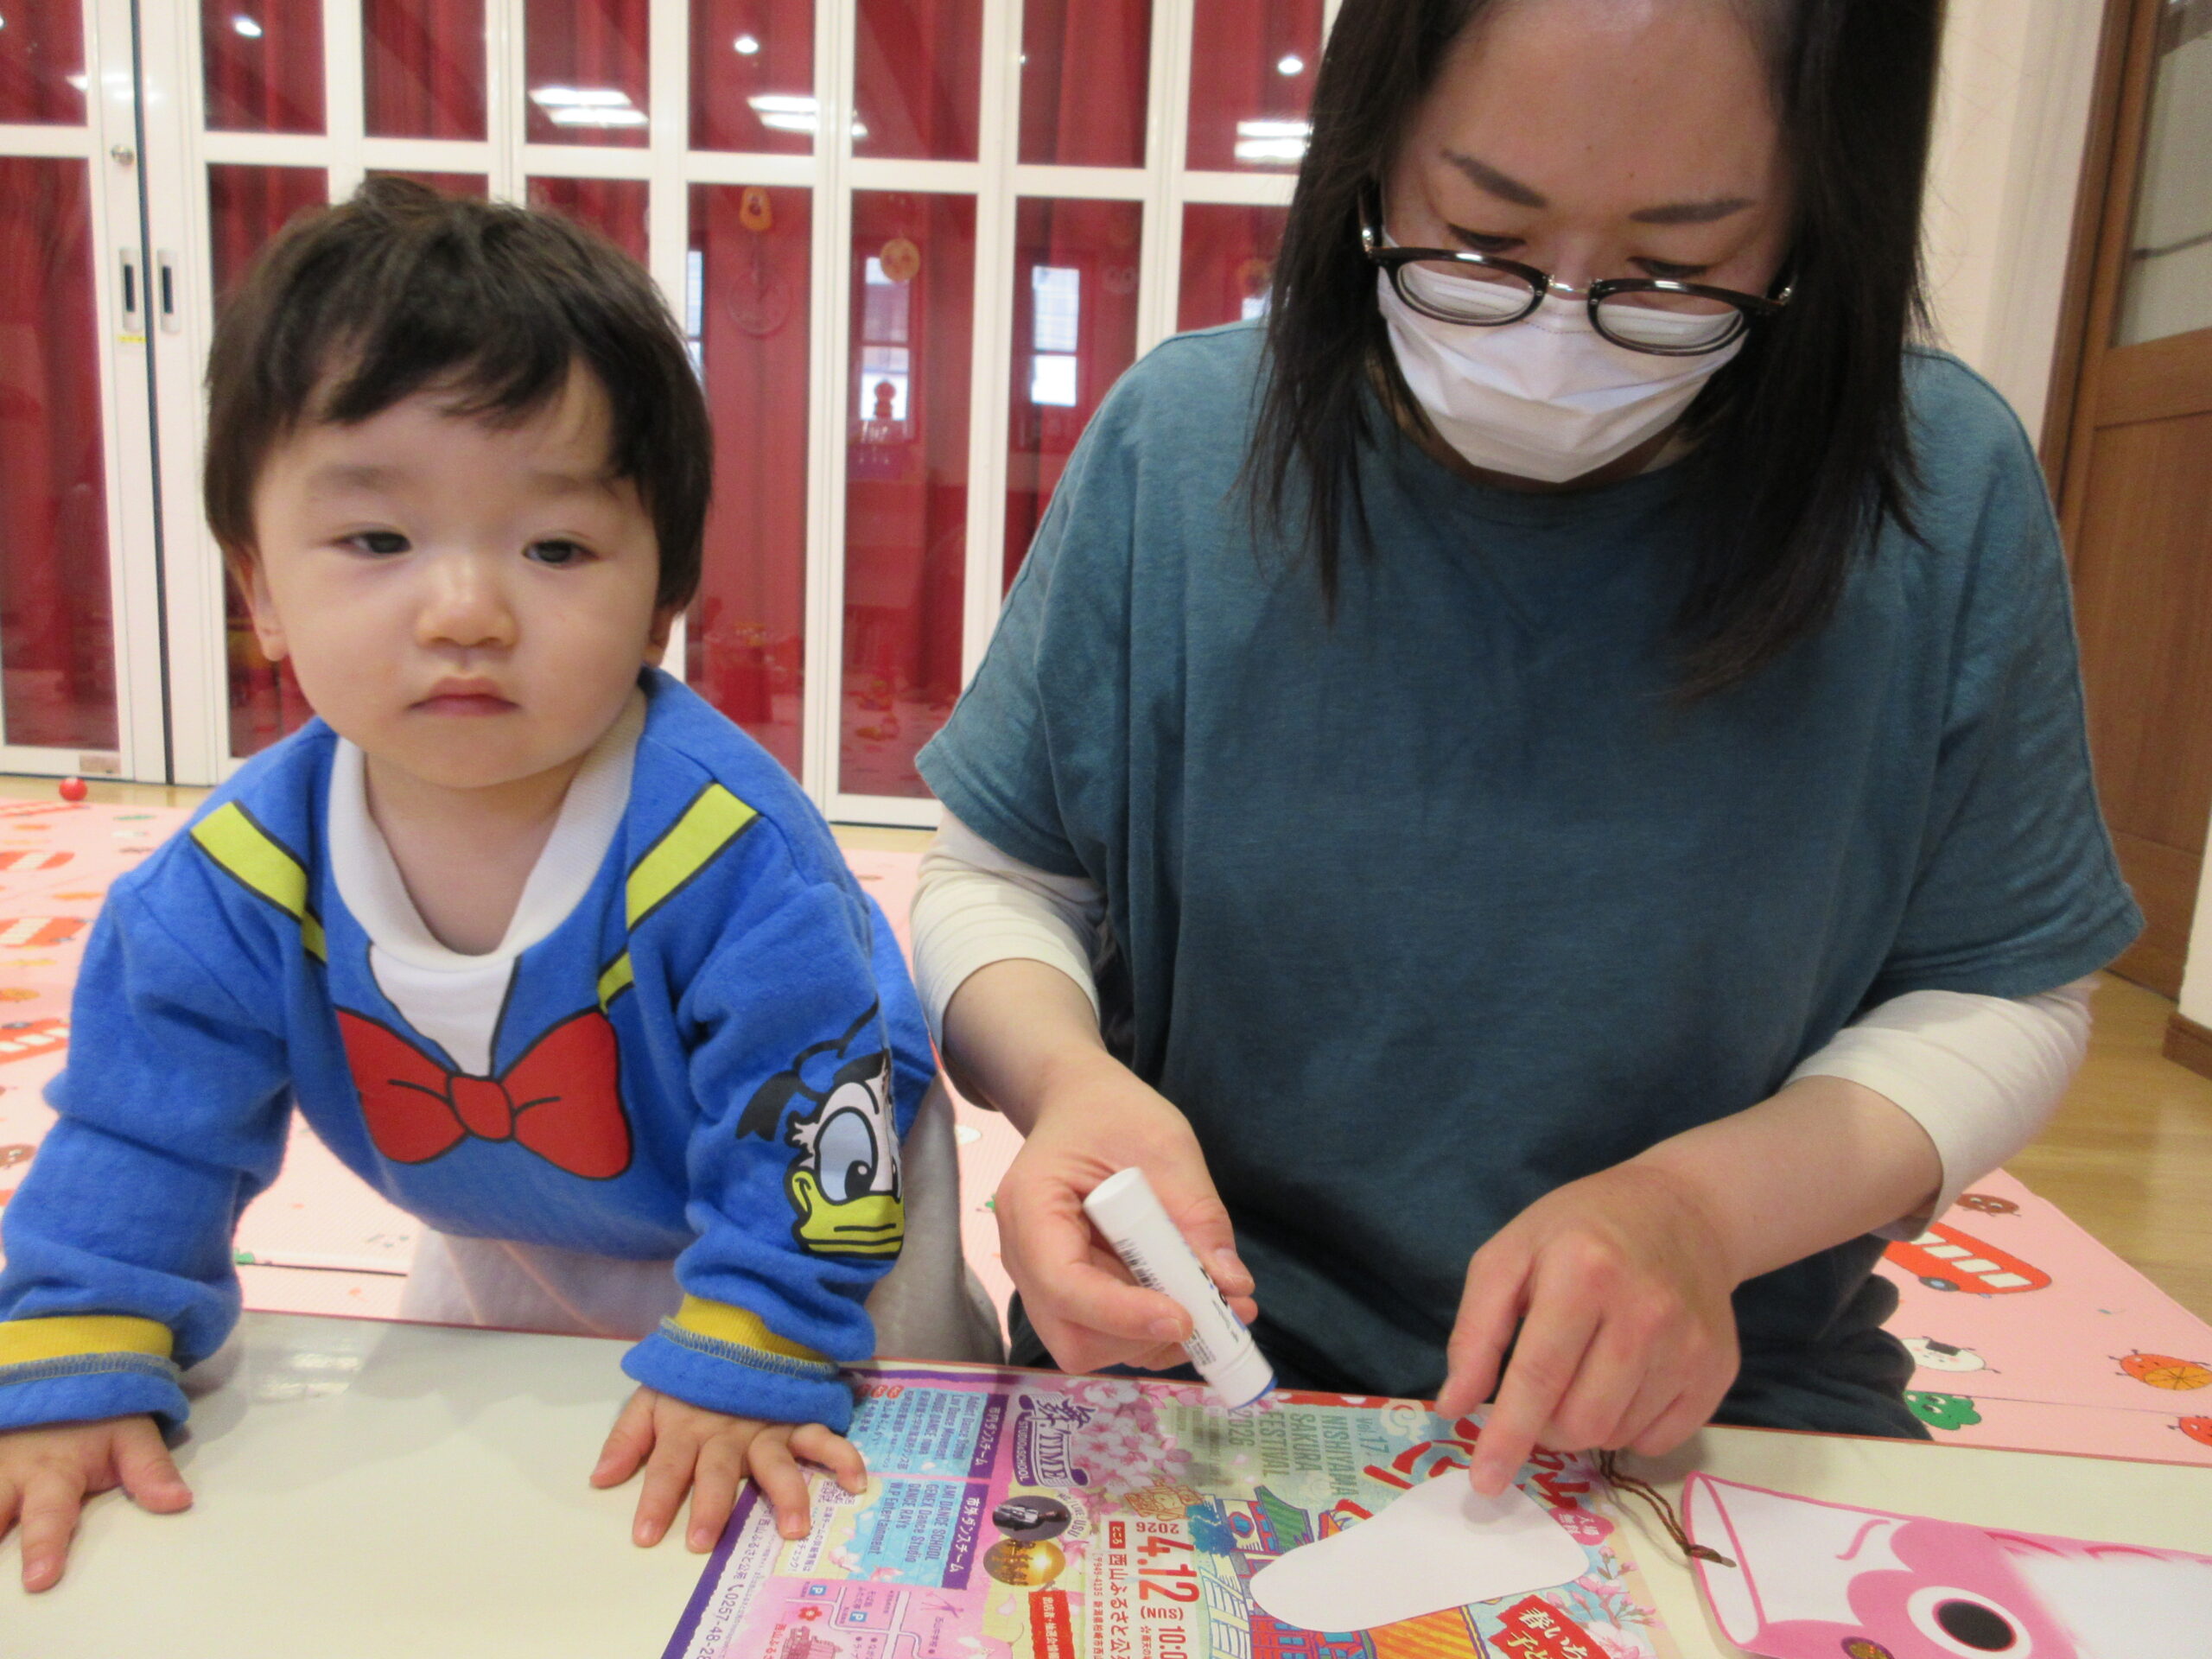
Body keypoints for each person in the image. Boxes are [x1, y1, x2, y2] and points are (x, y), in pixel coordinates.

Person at [912, 0, 2138, 1499]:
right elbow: (1001, 879)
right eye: (1483, 238)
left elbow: (2003, 987)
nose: (1559, 333)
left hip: (1715, 1393)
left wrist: (1703, 1211)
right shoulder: (1186, 446)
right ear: (1370, 153)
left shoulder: (1930, 492)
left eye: (1676, 269)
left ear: (1823, 211)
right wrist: (1066, 1084)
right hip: (1199, 1361)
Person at [0, 179, 998, 1594]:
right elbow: (143, 1127)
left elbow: (816, 1105)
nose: (465, 610)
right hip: (505, 1224)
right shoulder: (233, 881)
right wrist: (81, 1339)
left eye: (555, 548)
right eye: (377, 542)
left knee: (850, 1535)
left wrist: (763, 1335)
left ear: (662, 602)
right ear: (259, 585)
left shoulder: (725, 854)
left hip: (816, 1216)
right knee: (485, 1538)